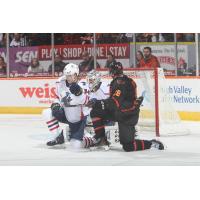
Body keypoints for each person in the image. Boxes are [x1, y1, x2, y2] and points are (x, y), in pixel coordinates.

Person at [84, 62, 164, 151]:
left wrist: (98, 103)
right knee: (96, 110)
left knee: (128, 146)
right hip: (119, 112)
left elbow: (114, 102)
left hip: (127, 116)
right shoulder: (122, 81)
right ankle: (101, 139)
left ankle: (151, 143)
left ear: (112, 72)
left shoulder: (120, 82)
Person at [42, 63, 90, 149]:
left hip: (79, 117)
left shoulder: (83, 84)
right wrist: (55, 104)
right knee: (47, 112)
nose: (68, 78)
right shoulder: (60, 82)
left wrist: (79, 93)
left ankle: (92, 139)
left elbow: (86, 101)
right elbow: (57, 96)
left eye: (71, 76)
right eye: (67, 76)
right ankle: (58, 136)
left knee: (76, 145)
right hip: (66, 113)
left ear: (76, 74)